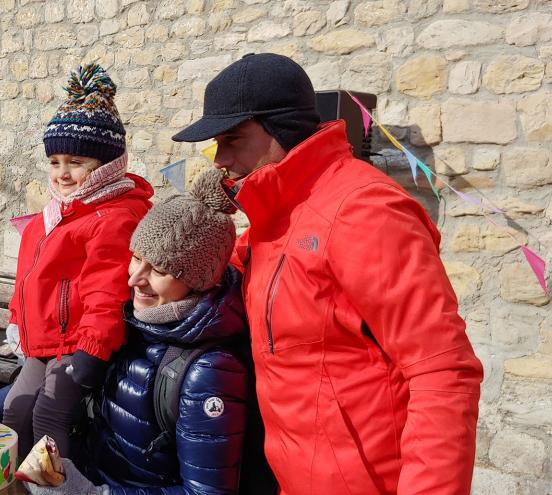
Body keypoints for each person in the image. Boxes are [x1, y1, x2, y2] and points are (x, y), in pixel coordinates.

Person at [171, 53, 484, 494]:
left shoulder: (366, 211)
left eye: (232, 140)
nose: (219, 159)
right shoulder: (273, 216)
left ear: (280, 128)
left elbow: (442, 372)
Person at [27, 169, 275, 495]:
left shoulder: (208, 370)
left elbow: (207, 492)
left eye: (158, 269)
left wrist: (93, 494)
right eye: (136, 258)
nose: (134, 279)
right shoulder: (134, 324)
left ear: (199, 281)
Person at [3, 63, 153, 459]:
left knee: (48, 415)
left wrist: (91, 348)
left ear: (105, 166)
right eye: (55, 162)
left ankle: (54, 486)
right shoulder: (50, 216)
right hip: (41, 342)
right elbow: (26, 279)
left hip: (77, 343)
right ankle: (18, 485)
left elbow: (108, 289)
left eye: (76, 163)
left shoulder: (113, 216)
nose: (62, 173)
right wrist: (17, 318)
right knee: (14, 411)